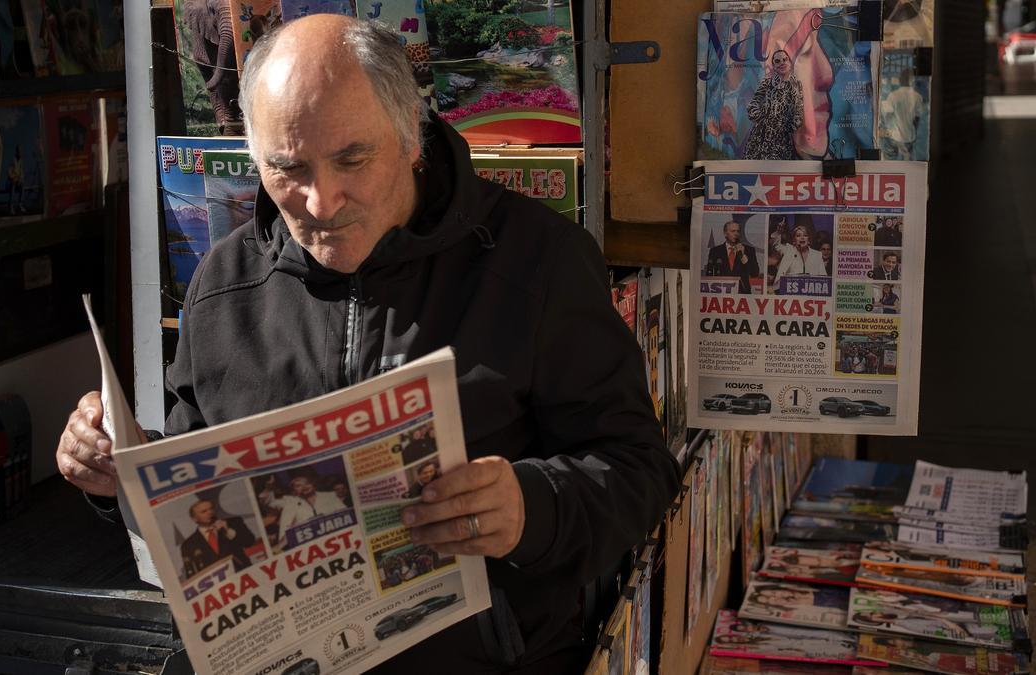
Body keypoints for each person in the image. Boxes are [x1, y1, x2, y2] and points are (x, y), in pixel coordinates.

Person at [55, 15, 678, 673]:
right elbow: (195, 482)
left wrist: (531, 505)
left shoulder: (536, 261)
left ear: (410, 136)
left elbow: (640, 469)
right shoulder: (224, 282)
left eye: (352, 159)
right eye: (286, 167)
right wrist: (118, 471)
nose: (321, 201)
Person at [743, 49, 804, 160]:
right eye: (777, 61)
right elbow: (753, 104)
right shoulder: (767, 83)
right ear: (774, 66)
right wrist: (762, 119)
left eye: (785, 59)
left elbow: (799, 110)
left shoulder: (797, 85)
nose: (782, 63)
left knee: (779, 172)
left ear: (789, 62)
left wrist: (790, 128)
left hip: (783, 140)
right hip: (761, 138)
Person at [179, 498, 257, 578]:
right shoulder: (188, 544)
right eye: (204, 511)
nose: (210, 512)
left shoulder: (233, 523)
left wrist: (228, 531)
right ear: (194, 518)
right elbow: (192, 573)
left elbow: (250, 542)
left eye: (211, 509)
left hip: (243, 574)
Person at [705, 219, 760, 293]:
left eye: (738, 231)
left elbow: (755, 273)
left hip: (742, 293)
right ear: (725, 233)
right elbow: (709, 275)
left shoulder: (749, 250)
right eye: (733, 231)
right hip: (721, 293)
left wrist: (743, 256)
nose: (736, 234)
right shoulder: (715, 251)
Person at [881, 68, 924, 161]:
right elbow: (917, 119)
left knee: (891, 159)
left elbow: (887, 116)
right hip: (910, 136)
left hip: (895, 136)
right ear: (912, 80)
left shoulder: (893, 95)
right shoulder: (917, 97)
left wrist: (889, 130)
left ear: (900, 80)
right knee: (908, 160)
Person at [773, 219, 826, 288]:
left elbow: (823, 277)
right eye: (798, 235)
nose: (802, 238)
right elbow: (776, 245)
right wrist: (778, 232)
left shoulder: (817, 255)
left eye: (805, 235)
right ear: (794, 240)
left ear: (809, 239)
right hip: (788, 290)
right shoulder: (789, 250)